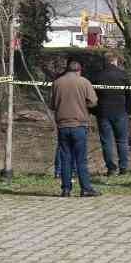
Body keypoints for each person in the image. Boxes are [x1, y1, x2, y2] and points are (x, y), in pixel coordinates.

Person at [50, 59, 100, 198]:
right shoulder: (84, 82)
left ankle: (66, 189)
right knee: (81, 159)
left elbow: (52, 104)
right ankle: (85, 188)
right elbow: (93, 102)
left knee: (65, 158)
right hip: (79, 125)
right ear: (79, 70)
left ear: (67, 69)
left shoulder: (57, 83)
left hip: (63, 125)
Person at [92, 54, 131, 177]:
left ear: (106, 62)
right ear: (115, 61)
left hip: (103, 112)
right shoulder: (123, 75)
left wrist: (96, 111)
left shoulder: (98, 76)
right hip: (120, 111)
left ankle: (111, 168)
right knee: (122, 141)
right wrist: (128, 110)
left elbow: (92, 96)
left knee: (107, 142)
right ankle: (124, 167)